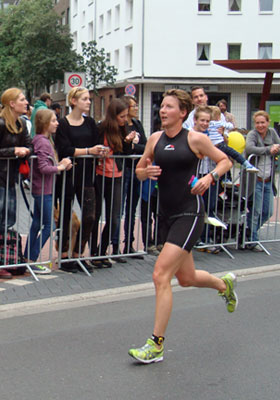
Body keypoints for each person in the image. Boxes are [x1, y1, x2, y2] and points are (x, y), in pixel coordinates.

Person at [128, 89, 238, 364]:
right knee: (186, 278)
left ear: (182, 113)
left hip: (189, 212)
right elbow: (140, 169)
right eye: (161, 107)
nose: (163, 111)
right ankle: (224, 285)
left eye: (169, 107)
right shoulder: (155, 139)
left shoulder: (195, 139)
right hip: (165, 214)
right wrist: (146, 172)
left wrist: (210, 178)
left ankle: (156, 344)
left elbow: (225, 160)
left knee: (160, 275)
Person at [55, 87, 106, 273]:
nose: (89, 102)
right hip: (68, 175)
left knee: (90, 215)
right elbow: (65, 149)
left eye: (89, 99)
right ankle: (65, 255)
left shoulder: (91, 122)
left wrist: (99, 150)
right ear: (74, 101)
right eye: (85, 99)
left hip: (87, 175)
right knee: (66, 216)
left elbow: (96, 142)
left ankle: (78, 253)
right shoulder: (63, 124)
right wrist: (88, 151)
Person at [24, 109, 72, 274]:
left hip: (41, 188)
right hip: (43, 189)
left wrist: (61, 165)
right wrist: (61, 167)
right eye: (53, 120)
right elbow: (44, 167)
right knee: (49, 224)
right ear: (45, 123)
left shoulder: (40, 140)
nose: (57, 123)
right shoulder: (43, 142)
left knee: (37, 223)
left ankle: (27, 258)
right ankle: (31, 259)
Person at [90, 98, 135, 268]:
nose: (125, 119)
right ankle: (94, 252)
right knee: (96, 216)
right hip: (100, 174)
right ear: (113, 115)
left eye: (125, 116)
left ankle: (102, 251)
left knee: (115, 217)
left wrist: (129, 142)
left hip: (117, 175)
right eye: (122, 116)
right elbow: (93, 146)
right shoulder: (101, 128)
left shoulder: (124, 128)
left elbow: (126, 153)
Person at [0, 88, 33, 279]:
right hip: (1, 178)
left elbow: (29, 145)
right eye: (22, 99)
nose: (26, 102)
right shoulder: (1, 123)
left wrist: (25, 150)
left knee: (8, 221)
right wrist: (14, 150)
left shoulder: (20, 124)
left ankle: (6, 260)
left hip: (11, 179)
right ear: (12, 103)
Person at [111, 95, 146, 260]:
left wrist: (133, 146)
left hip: (136, 169)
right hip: (123, 170)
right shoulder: (120, 126)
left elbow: (145, 146)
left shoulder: (137, 124)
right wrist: (130, 146)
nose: (136, 108)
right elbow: (121, 148)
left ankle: (129, 244)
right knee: (120, 210)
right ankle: (115, 245)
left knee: (132, 209)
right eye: (133, 105)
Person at [245, 110, 280, 251]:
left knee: (268, 211)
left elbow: (278, 145)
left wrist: (276, 148)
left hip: (268, 179)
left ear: (268, 122)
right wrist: (268, 149)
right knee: (256, 210)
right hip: (256, 179)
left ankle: (247, 230)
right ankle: (252, 239)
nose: (260, 125)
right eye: (258, 123)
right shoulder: (252, 134)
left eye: (263, 122)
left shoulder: (272, 132)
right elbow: (249, 148)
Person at [208, 106, 258, 174]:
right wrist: (224, 126)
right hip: (220, 145)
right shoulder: (219, 123)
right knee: (232, 155)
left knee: (220, 162)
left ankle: (225, 178)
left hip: (210, 147)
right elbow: (231, 126)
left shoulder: (207, 125)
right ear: (218, 117)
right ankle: (246, 164)